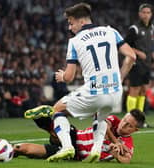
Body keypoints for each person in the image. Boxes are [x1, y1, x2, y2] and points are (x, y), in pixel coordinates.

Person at [25, 2, 136, 162]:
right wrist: (119, 77)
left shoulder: (75, 41)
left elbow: (70, 76)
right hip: (115, 93)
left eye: (71, 23)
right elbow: (132, 56)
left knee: (57, 110)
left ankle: (67, 146)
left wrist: (61, 76)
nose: (70, 27)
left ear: (81, 22)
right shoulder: (111, 31)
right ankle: (96, 149)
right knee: (101, 117)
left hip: (94, 91)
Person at [14, 109, 145, 164]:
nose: (123, 125)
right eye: (124, 120)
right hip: (75, 137)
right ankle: (42, 117)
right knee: (56, 131)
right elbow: (103, 123)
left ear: (135, 129)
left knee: (26, 150)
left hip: (73, 155)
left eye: (128, 125)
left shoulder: (128, 141)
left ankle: (12, 151)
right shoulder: (115, 120)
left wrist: (116, 155)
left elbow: (127, 159)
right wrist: (115, 141)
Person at [125, 3, 154, 113]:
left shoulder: (151, 28)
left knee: (143, 91)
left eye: (148, 12)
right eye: (144, 12)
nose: (146, 15)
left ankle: (139, 118)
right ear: (139, 14)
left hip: (146, 65)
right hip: (136, 64)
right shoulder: (134, 29)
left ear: (151, 14)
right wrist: (138, 52)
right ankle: (130, 117)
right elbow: (125, 45)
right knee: (134, 90)